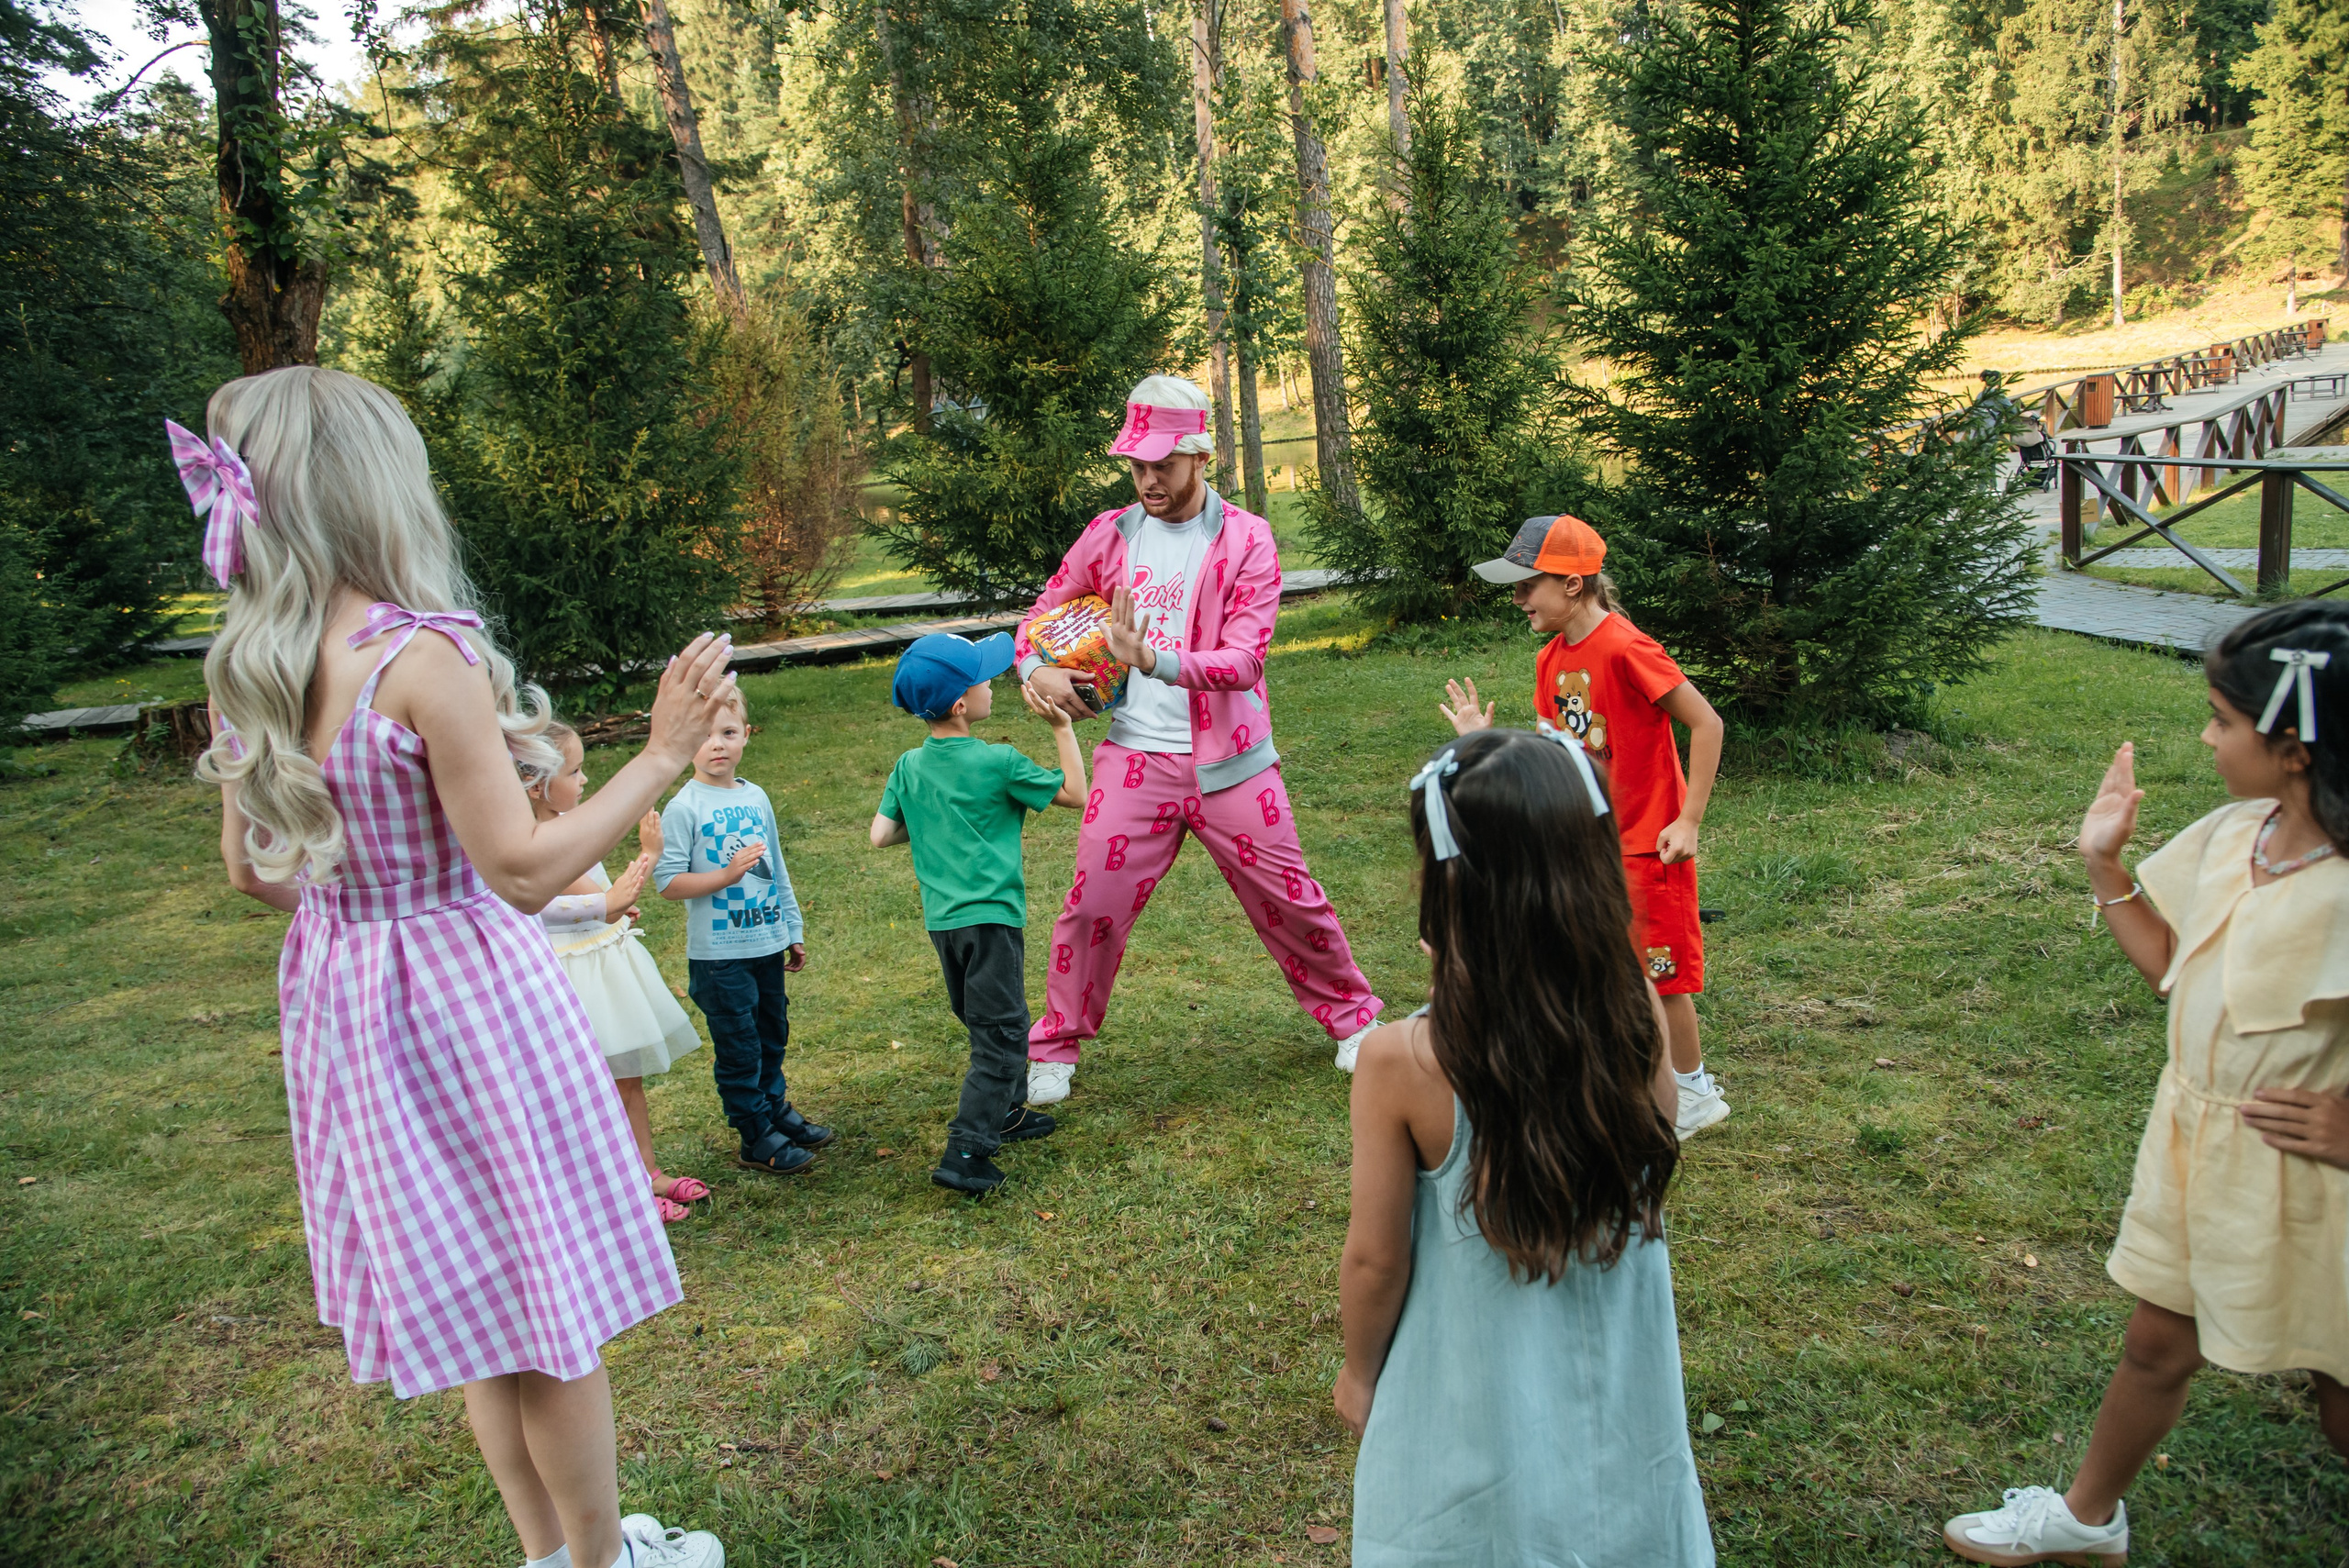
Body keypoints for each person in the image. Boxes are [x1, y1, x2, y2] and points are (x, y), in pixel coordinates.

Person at [189, 366, 729, 1568]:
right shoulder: (422, 656)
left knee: (493, 1314)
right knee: (554, 1314)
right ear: (380, 492)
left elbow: (248, 870)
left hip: (349, 1007)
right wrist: (661, 756)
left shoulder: (252, 661)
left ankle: (548, 1557)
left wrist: (360, 918)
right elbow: (527, 871)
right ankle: (601, 1565)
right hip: (471, 1007)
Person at [1942, 601, 2349, 1566]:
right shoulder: (2233, 835)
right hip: (2200, 1140)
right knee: (2156, 1342)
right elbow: (2173, 964)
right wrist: (2101, 861)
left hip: (2317, 1181)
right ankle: (2089, 1515)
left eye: (2221, 718)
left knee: (2341, 1398)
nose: (2206, 738)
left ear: (2292, 745)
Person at [1337, 728, 1715, 1565]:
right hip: (1620, 1374)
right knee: (1616, 1502)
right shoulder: (1639, 1015)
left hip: (1472, 1395)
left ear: (1446, 891)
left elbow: (1375, 1260)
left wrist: (1362, 1371)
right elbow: (1647, 1158)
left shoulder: (1402, 1060)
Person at [1016, 373, 1384, 1103]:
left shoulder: (1248, 538)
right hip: (1133, 757)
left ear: (1199, 456)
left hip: (1234, 763)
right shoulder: (1108, 534)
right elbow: (1039, 614)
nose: (1149, 478)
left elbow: (1245, 660)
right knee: (1091, 905)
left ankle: (1353, 1021)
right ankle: (1054, 1044)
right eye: (1137, 465)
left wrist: (1150, 658)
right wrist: (1038, 670)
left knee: (1290, 898)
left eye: (1163, 464)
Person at [1442, 514, 1730, 1140]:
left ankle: (1694, 1091)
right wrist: (1485, 741)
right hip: (1590, 846)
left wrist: (1689, 820)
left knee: (1662, 976)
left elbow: (1707, 724)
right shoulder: (1551, 660)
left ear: (1574, 583)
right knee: (1604, 967)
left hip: (1651, 846)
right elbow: (1562, 754)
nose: (1518, 599)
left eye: (1528, 585)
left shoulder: (1628, 648)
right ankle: (1620, 1078)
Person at [868, 632, 1089, 1193]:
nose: (992, 684)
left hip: (944, 924)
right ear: (963, 705)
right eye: (984, 679)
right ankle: (967, 1151)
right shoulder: (999, 762)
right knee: (1003, 1035)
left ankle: (1008, 1113)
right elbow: (1075, 794)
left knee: (986, 1019)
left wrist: (933, 820)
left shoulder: (909, 766)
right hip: (991, 920)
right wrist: (1063, 729)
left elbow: (880, 835)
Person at [521, 719, 709, 1223]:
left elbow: (597, 901)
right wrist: (649, 852)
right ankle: (620, 1191)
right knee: (599, 1090)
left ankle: (646, 1171)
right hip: (581, 981)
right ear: (538, 783)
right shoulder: (542, 840)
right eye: (576, 771)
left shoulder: (565, 828)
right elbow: (612, 898)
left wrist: (611, 909)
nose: (584, 780)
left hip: (603, 962)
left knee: (628, 1081)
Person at [653, 690, 833, 1176]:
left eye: (728, 733)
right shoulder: (684, 807)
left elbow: (776, 868)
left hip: (766, 943)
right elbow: (667, 882)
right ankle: (754, 1134)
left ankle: (776, 1110)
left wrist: (790, 928)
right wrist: (726, 876)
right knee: (739, 1046)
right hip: (719, 957)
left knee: (771, 1035)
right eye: (704, 736)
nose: (717, 745)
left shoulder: (755, 797)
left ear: (746, 737)